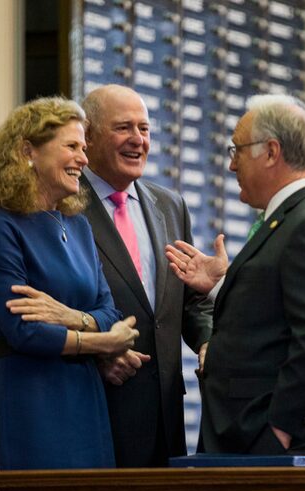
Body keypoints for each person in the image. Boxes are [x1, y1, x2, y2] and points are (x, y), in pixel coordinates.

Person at [0, 97, 145, 491]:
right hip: (33, 398)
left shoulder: (79, 226)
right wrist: (101, 341)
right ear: (28, 151)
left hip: (86, 396)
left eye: (83, 148)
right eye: (71, 147)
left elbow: (109, 310)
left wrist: (70, 316)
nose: (83, 159)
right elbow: (24, 332)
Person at [166, 94, 305, 466]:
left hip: (289, 440)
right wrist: (222, 287)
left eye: (237, 150)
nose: (230, 165)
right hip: (260, 434)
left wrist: (281, 428)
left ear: (272, 152)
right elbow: (279, 311)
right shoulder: (292, 218)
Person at [79, 84, 213, 467]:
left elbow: (191, 302)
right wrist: (95, 354)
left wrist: (207, 341)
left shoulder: (171, 206)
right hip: (99, 408)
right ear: (87, 137)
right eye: (123, 128)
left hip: (165, 418)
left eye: (145, 129)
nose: (138, 140)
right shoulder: (64, 207)